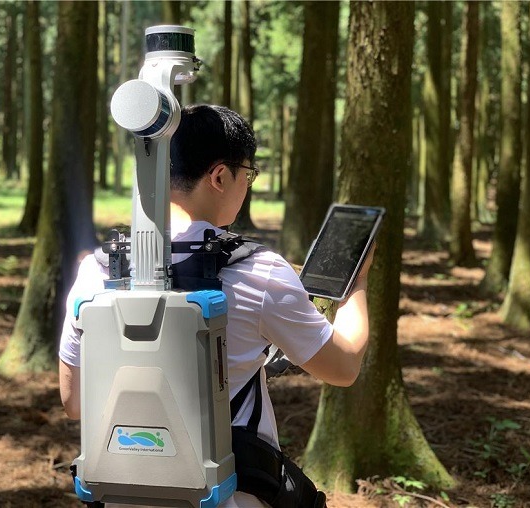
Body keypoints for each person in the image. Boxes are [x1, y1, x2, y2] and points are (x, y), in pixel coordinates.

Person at [58, 104, 373, 507]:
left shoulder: (97, 269)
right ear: (220, 176)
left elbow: (73, 402)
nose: (248, 186)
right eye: (248, 174)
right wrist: (357, 282)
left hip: (122, 496)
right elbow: (344, 367)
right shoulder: (259, 271)